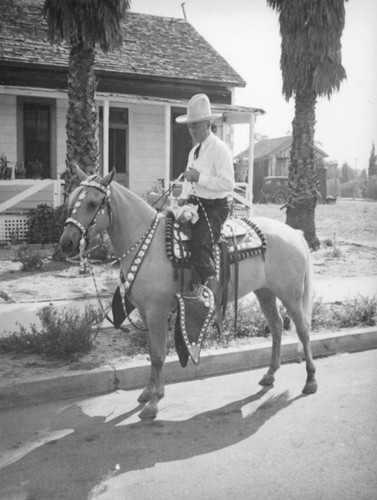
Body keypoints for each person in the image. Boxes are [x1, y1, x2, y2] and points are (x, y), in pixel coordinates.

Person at [175, 93, 235, 294]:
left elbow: (228, 183)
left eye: (196, 125)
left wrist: (199, 178)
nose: (192, 130)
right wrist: (183, 197)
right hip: (194, 204)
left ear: (208, 124)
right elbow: (188, 180)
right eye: (190, 126)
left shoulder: (220, 149)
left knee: (201, 245)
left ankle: (209, 294)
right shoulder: (194, 151)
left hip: (215, 207)